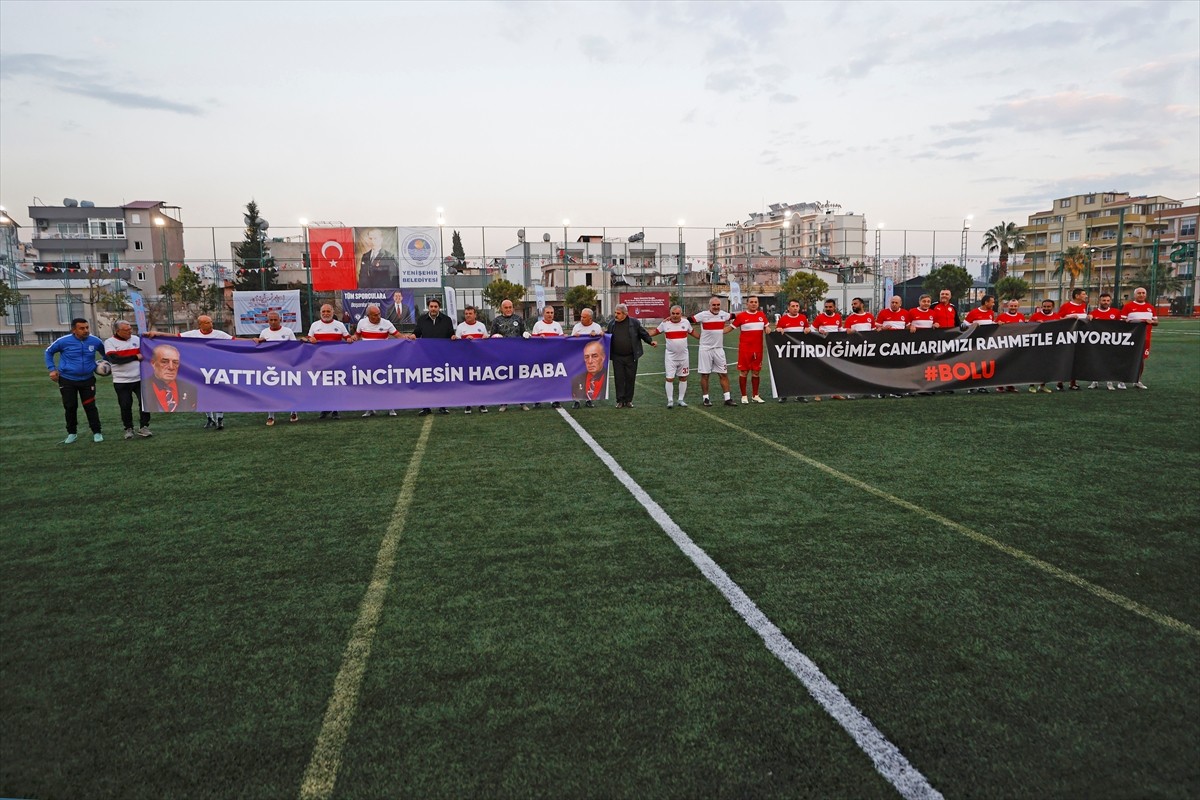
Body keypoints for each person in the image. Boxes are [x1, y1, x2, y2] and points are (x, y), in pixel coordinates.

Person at [44, 317, 105, 444]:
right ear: (74, 330)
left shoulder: (95, 341)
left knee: (90, 406)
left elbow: (106, 354)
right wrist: (52, 369)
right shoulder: (63, 341)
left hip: (87, 380)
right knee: (70, 406)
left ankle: (97, 432)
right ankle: (72, 433)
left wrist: (105, 366)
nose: (86, 330)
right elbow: (48, 352)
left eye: (87, 328)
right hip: (67, 380)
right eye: (82, 328)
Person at [181, 315, 234, 429]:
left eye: (211, 322)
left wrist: (254, 340)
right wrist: (155, 335)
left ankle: (220, 419)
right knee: (202, 394)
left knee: (218, 393)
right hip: (199, 370)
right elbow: (174, 337)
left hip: (216, 369)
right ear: (200, 324)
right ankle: (210, 418)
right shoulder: (192, 334)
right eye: (208, 322)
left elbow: (235, 341)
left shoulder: (219, 334)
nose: (211, 324)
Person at [103, 320, 152, 439]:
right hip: (121, 380)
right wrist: (135, 356)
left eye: (130, 329)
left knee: (145, 403)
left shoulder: (136, 339)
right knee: (125, 405)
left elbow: (148, 352)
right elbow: (115, 359)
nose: (130, 331)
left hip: (140, 378)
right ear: (117, 331)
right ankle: (128, 428)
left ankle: (144, 426)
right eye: (126, 330)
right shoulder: (110, 342)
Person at [353, 303, 403, 418]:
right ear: (368, 316)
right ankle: (370, 408)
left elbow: (398, 336)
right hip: (367, 359)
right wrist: (354, 338)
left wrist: (409, 338)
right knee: (368, 384)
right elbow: (357, 335)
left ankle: (391, 407)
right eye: (375, 315)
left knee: (386, 383)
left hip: (384, 358)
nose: (378, 316)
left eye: (379, 314)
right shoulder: (361, 323)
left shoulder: (387, 323)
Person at [605, 304, 656, 408]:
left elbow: (643, 334)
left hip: (631, 357)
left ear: (625, 314)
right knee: (618, 379)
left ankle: (628, 400)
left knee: (630, 378)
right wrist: (598, 335)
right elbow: (607, 335)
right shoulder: (611, 323)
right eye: (615, 312)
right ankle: (620, 400)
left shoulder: (634, 323)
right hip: (617, 357)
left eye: (618, 313)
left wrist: (651, 342)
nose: (616, 315)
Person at [307, 304, 352, 419]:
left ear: (332, 312)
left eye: (328, 311)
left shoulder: (340, 325)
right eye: (324, 311)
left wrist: (349, 339)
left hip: (336, 360)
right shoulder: (315, 325)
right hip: (320, 360)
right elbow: (308, 338)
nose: (326, 313)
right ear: (320, 312)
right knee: (322, 385)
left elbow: (347, 337)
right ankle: (324, 408)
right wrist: (310, 339)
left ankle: (335, 410)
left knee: (335, 384)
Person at [254, 311, 299, 425]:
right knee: (271, 390)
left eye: (275, 320)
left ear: (280, 320)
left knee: (290, 388)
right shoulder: (264, 332)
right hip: (271, 367)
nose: (273, 322)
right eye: (271, 320)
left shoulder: (288, 332)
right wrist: (259, 341)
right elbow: (261, 350)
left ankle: (293, 412)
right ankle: (271, 416)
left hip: (286, 364)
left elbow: (295, 348)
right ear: (267, 321)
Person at [688, 296, 735, 407]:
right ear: (710, 306)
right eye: (714, 305)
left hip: (719, 349)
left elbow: (736, 317)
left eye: (718, 305)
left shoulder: (724, 314)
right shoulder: (703, 315)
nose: (716, 307)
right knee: (705, 375)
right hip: (705, 349)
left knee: (723, 374)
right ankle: (706, 399)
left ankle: (727, 399)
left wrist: (732, 327)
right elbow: (688, 320)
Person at [414, 298, 455, 415]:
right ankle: (425, 406)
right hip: (426, 356)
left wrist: (452, 336)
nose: (433, 309)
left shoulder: (447, 320)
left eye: (435, 307)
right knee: (426, 382)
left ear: (439, 308)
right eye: (431, 306)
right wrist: (413, 335)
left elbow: (451, 332)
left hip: (442, 356)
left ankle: (443, 406)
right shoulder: (422, 319)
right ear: (428, 307)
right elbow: (417, 332)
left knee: (442, 382)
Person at [490, 299, 528, 411]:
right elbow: (491, 337)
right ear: (501, 309)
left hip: (517, 354)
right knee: (504, 378)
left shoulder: (518, 319)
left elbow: (524, 333)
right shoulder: (496, 321)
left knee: (519, 377)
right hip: (503, 355)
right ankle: (503, 403)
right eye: (506, 307)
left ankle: (522, 402)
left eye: (510, 307)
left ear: (513, 308)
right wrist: (496, 337)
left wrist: (526, 334)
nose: (508, 309)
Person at [652, 305, 692, 408]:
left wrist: (703, 338)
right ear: (670, 314)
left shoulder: (686, 323)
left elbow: (693, 332)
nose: (675, 316)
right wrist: (642, 335)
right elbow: (655, 331)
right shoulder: (665, 323)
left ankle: (680, 400)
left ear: (681, 314)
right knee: (669, 378)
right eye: (673, 313)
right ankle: (670, 400)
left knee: (683, 378)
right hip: (670, 357)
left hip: (684, 356)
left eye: (677, 314)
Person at [731, 296, 769, 403]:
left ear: (758, 303)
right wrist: (717, 332)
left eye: (755, 302)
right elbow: (731, 327)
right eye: (751, 302)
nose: (753, 304)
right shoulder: (742, 316)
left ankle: (755, 395)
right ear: (747, 304)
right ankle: (744, 396)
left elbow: (766, 326)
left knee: (756, 372)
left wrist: (767, 328)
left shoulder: (761, 315)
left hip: (758, 349)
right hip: (745, 349)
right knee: (744, 372)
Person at [454, 304, 490, 414]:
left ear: (475, 315)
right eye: (466, 314)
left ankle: (481, 404)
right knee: (468, 382)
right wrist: (464, 341)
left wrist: (486, 337)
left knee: (480, 381)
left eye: (470, 313)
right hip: (466, 359)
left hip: (479, 358)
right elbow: (457, 343)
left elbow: (486, 339)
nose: (468, 315)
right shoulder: (460, 327)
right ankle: (468, 404)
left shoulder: (481, 326)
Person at [1121, 286, 1158, 389]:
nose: (1141, 295)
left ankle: (1137, 380)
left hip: (1145, 339)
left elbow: (1156, 322)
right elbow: (1121, 321)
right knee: (1127, 359)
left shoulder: (1150, 307)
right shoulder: (1128, 306)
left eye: (1143, 293)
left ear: (1145, 295)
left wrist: (1152, 322)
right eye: (1139, 293)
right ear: (1135, 295)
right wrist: (1128, 321)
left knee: (1141, 360)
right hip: (1130, 339)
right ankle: (1122, 380)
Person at [773, 299, 809, 402]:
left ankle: (800, 395)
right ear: (788, 308)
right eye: (793, 306)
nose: (795, 308)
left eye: (797, 306)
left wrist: (808, 329)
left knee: (801, 373)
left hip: (800, 351)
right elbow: (777, 331)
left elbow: (807, 329)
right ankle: (784, 395)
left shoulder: (803, 318)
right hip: (787, 351)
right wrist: (778, 330)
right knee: (786, 373)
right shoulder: (783, 319)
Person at [146, 343, 199, 412]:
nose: (171, 367)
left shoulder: (190, 388)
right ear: (153, 363)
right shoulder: (144, 386)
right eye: (164, 362)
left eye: (175, 362)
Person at [1088, 293, 1124, 390]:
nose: (1106, 302)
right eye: (1104, 300)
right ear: (1099, 301)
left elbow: (1122, 325)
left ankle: (1109, 382)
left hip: (1111, 342)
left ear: (1110, 301)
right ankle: (1095, 381)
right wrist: (1089, 318)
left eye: (1108, 300)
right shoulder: (1093, 313)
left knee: (1110, 362)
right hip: (1097, 343)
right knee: (1095, 361)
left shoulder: (1116, 312)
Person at [810, 300, 844, 400]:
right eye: (826, 307)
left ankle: (835, 393)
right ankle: (817, 394)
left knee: (835, 371)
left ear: (834, 307)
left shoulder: (838, 317)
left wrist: (848, 331)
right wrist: (818, 331)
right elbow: (811, 329)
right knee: (821, 370)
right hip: (822, 348)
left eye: (830, 307)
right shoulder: (820, 317)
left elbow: (840, 330)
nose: (828, 308)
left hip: (835, 349)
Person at [531, 306, 565, 408]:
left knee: (555, 378)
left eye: (552, 312)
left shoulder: (557, 325)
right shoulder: (538, 325)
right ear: (543, 314)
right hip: (541, 356)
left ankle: (556, 399)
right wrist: (538, 338)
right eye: (548, 312)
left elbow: (562, 340)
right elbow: (533, 340)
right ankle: (538, 400)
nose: (550, 314)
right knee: (539, 378)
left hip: (554, 357)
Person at [1028, 299, 1060, 393]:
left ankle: (1042, 385)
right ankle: (1031, 385)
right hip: (1036, 346)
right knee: (1035, 365)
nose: (1046, 308)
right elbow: (1027, 328)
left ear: (1052, 307)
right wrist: (1035, 324)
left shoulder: (1056, 316)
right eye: (1044, 306)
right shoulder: (1035, 316)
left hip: (1050, 346)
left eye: (1048, 306)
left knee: (1047, 366)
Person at [995, 300, 1025, 393]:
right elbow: (993, 328)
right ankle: (999, 385)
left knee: (1013, 365)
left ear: (1018, 306)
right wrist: (997, 324)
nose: (1013, 308)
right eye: (1011, 306)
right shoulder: (1001, 316)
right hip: (1003, 346)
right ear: (1007, 306)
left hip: (1016, 345)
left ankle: (1010, 385)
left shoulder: (1021, 316)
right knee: (1002, 365)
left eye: (1015, 306)